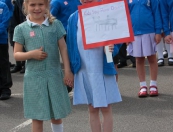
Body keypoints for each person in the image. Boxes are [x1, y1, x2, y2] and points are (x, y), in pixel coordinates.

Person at [13, 0, 74, 131]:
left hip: (54, 76)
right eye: (33, 5)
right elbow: (16, 54)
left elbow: (63, 48)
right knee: (37, 116)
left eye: (40, 4)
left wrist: (67, 71)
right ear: (26, 6)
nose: (37, 8)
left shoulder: (55, 24)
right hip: (34, 79)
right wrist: (31, 54)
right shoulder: (21, 28)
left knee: (57, 113)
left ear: (46, 5)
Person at [66, 0, 122, 131]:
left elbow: (116, 39)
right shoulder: (74, 18)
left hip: (102, 68)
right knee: (92, 108)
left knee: (106, 107)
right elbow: (71, 45)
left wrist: (112, 48)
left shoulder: (106, 13)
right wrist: (72, 69)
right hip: (84, 69)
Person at [127, 0, 162, 97]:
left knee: (152, 58)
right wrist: (127, 34)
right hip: (134, 33)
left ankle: (153, 84)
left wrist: (158, 31)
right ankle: (142, 86)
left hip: (149, 31)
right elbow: (126, 15)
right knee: (139, 59)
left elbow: (156, 13)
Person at [50, 0, 81, 93]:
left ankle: (78, 83)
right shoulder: (56, 2)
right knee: (68, 59)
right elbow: (49, 17)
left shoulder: (78, 1)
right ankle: (69, 83)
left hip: (79, 33)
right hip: (65, 35)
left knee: (78, 59)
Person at [8, 0, 26, 73]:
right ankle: (18, 64)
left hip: (21, 13)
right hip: (12, 18)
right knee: (13, 39)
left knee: (24, 41)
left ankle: (25, 64)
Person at [0, 1, 13, 100]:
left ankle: (5, 89)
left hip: (1, 40)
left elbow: (5, 22)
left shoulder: (2, 5)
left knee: (3, 64)